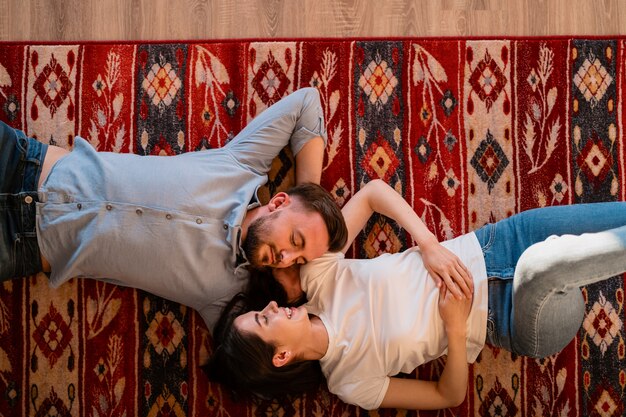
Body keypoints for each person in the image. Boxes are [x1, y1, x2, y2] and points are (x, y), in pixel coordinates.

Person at [205, 179, 626, 411]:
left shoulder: (319, 277)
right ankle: (565, 263)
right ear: (280, 356)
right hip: (516, 318)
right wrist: (455, 328)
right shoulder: (350, 383)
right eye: (264, 319)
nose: (273, 306)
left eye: (262, 309)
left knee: (615, 218)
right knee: (546, 264)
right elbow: (448, 396)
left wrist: (427, 244)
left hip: (497, 242)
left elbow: (371, 193)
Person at [1, 87, 353, 330]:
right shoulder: (242, 166)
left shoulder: (229, 297)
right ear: (279, 202)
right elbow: (307, 103)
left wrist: (295, 298)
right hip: (21, 161)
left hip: (18, 245)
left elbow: (255, 363)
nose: (287, 258)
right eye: (296, 240)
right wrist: (311, 192)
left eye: (299, 261)